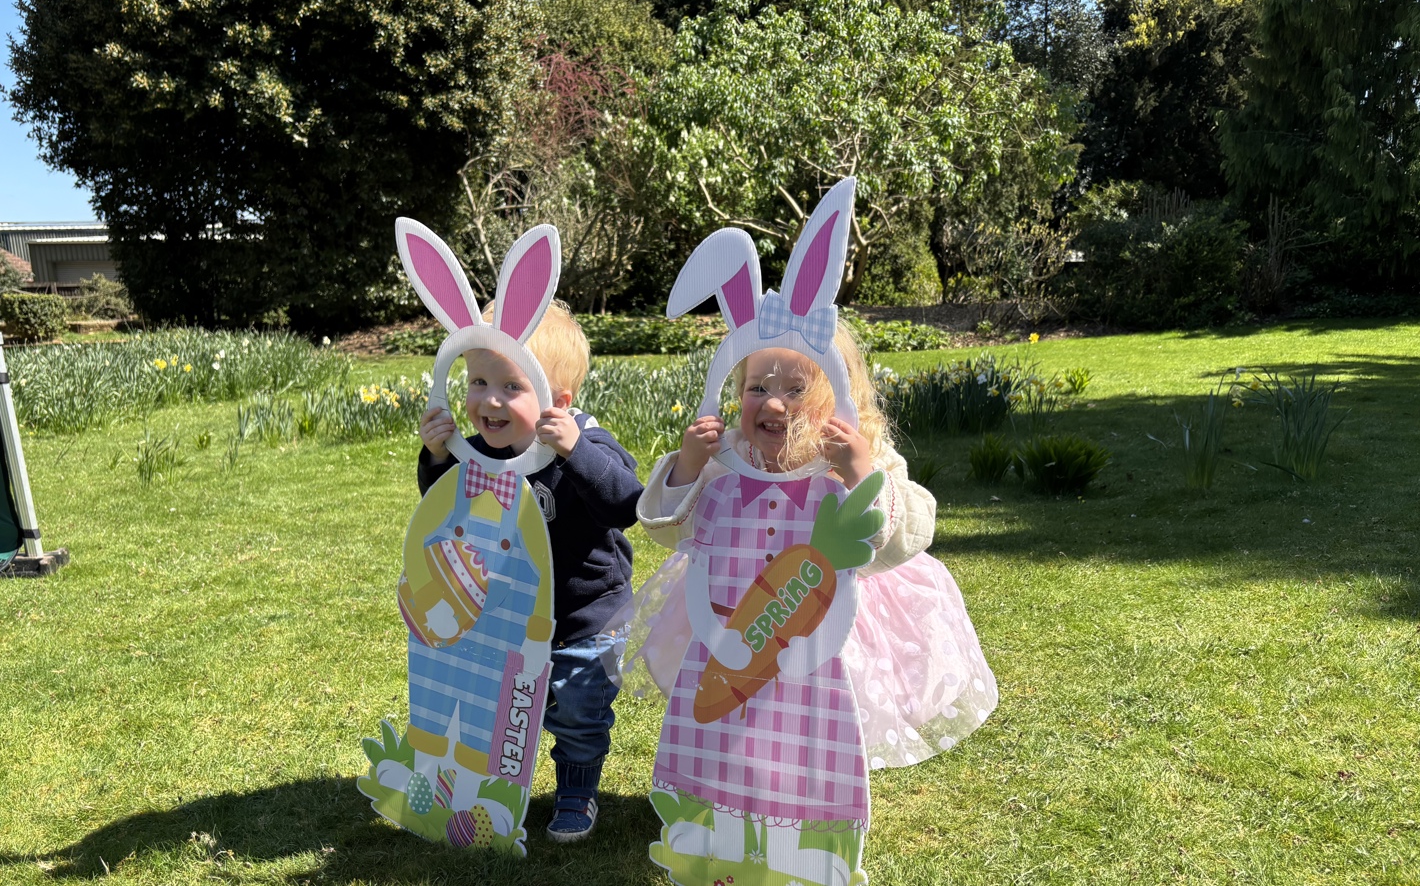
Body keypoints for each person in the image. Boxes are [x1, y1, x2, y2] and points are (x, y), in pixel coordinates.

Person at [632, 323, 998, 875]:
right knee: (734, 720)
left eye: (797, 389)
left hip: (826, 631)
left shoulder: (854, 454)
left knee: (806, 729)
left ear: (838, 394)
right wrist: (686, 465)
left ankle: (802, 831)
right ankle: (726, 818)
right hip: (734, 619)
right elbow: (667, 528)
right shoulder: (726, 458)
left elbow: (902, 538)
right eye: (757, 387)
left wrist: (859, 473)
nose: (773, 401)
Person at [417, 301, 643, 843]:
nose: (488, 400)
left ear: (557, 401)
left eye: (510, 387)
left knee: (577, 715)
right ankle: (494, 787)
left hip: (587, 616)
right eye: (477, 381)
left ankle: (576, 790)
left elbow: (625, 505)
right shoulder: (475, 453)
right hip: (512, 616)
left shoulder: (588, 445)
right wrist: (435, 458)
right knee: (503, 706)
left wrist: (573, 451)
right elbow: (446, 507)